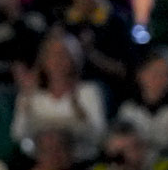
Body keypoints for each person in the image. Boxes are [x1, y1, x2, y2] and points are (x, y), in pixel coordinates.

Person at [11, 31, 107, 160]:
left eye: (63, 55)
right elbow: (18, 134)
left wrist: (79, 111)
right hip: (38, 158)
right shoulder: (29, 95)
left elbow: (99, 135)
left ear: (74, 59)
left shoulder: (87, 92)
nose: (57, 61)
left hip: (78, 159)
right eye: (52, 55)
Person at [61, 0, 138, 95]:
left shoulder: (118, 22)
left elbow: (127, 70)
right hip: (68, 93)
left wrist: (91, 53)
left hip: (108, 90)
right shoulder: (62, 23)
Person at [114, 51, 168, 159]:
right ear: (140, 75)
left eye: (165, 74)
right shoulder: (128, 109)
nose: (158, 79)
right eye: (153, 72)